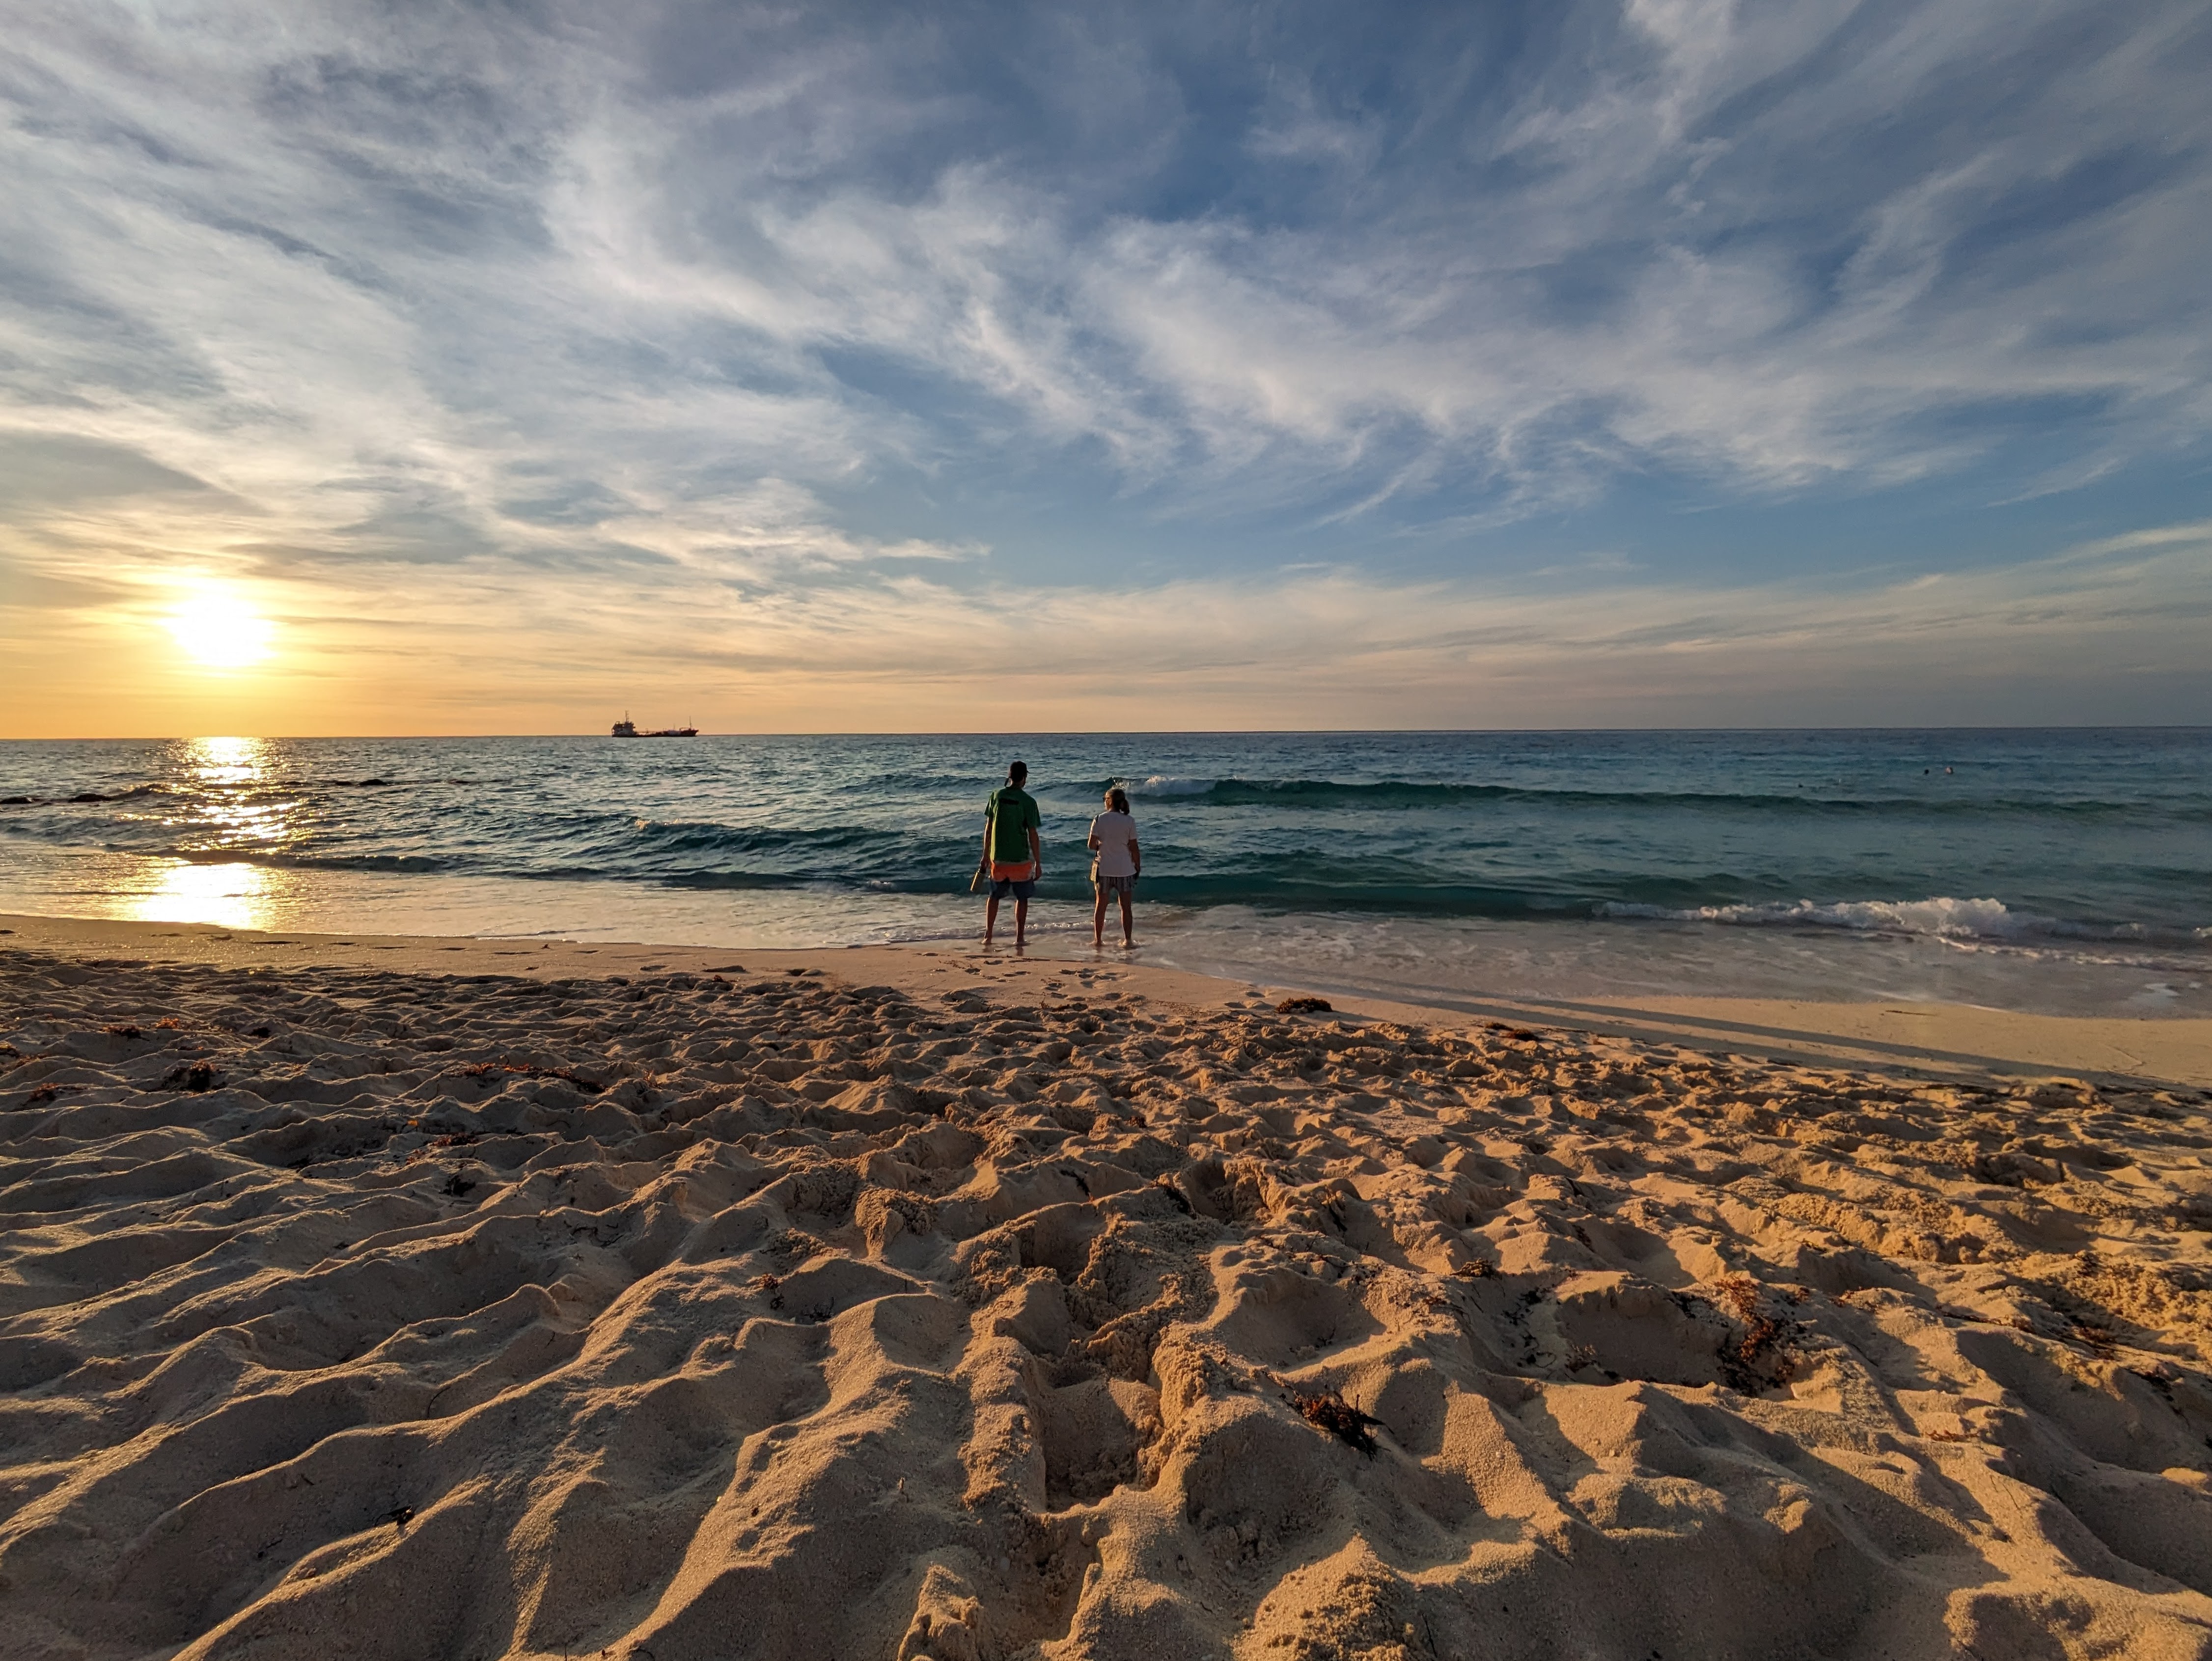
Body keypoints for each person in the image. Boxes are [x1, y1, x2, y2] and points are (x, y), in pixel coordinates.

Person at [981, 760, 1043, 950]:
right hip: (1019, 859)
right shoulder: (1028, 802)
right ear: (1024, 778)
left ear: (1009, 776)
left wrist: (985, 855)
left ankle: (988, 935)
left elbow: (989, 828)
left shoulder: (996, 796)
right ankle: (1019, 937)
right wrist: (1038, 862)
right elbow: (1033, 834)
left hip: (998, 856)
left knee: (994, 897)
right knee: (1022, 898)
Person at [1087, 785, 1140, 949]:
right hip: (1124, 869)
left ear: (1109, 802)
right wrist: (1137, 866)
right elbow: (1134, 848)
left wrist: (1102, 845)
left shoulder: (1099, 819)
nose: (1104, 802)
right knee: (1126, 908)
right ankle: (1128, 940)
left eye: (1105, 799)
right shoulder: (1129, 821)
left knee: (1100, 906)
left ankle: (1098, 940)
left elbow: (1091, 845)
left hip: (1104, 868)